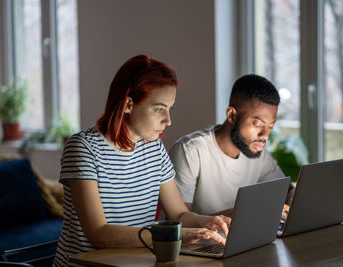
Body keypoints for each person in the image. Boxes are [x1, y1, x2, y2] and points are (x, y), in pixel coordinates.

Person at [53, 55, 231, 266]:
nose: (168, 120)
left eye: (169, 109)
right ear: (128, 104)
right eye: (159, 109)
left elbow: (179, 213)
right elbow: (98, 234)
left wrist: (206, 222)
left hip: (134, 262)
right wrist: (178, 235)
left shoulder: (153, 148)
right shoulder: (83, 148)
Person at [169, 74, 294, 217]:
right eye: (258, 124)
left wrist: (290, 204)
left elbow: (288, 190)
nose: (265, 135)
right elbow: (179, 222)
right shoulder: (190, 150)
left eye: (270, 126)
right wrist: (243, 214)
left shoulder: (257, 152)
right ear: (231, 115)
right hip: (204, 240)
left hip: (246, 238)